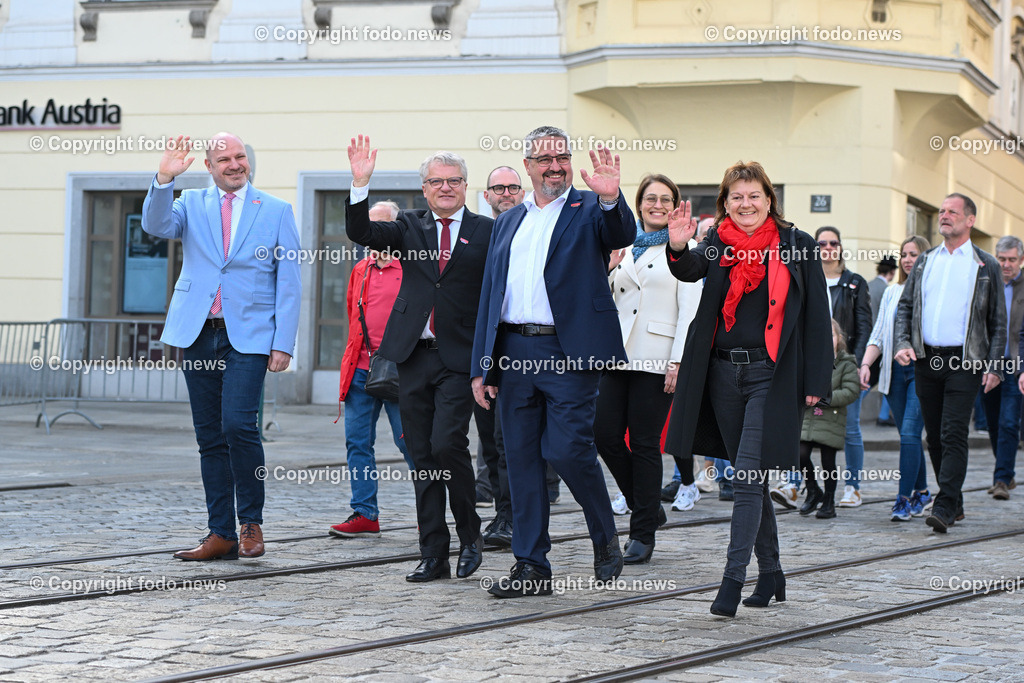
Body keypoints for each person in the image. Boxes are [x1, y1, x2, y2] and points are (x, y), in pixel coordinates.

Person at [472, 126, 635, 598]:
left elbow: (619, 232)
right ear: (528, 166)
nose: (555, 165)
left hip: (568, 351)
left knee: (565, 450)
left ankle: (604, 535)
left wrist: (611, 198)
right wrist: (483, 366)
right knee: (519, 461)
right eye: (544, 159)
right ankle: (531, 565)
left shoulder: (589, 210)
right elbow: (491, 296)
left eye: (561, 156)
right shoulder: (508, 220)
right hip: (514, 351)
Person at [664, 160, 832, 617]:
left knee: (745, 479)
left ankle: (732, 581)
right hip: (721, 375)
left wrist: (818, 381)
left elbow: (817, 315)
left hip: (770, 377)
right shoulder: (717, 241)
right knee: (750, 476)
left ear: (769, 199)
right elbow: (690, 268)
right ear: (725, 203)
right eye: (736, 197)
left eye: (753, 195)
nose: (745, 204)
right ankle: (773, 572)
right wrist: (678, 245)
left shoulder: (795, 245)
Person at [143, 133, 301, 561]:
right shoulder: (191, 203)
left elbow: (289, 283)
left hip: (248, 335)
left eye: (239, 157)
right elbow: (155, 227)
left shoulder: (276, 209)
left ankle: (251, 521)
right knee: (209, 436)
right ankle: (221, 533)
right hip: (198, 331)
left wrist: (282, 342)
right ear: (209, 167)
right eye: (224, 159)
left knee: (238, 426)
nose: (234, 164)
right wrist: (163, 178)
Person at [346, 136, 493, 581]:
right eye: (436, 181)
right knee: (422, 452)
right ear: (424, 188)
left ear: (465, 186)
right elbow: (363, 233)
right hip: (411, 356)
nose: (445, 188)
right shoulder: (409, 225)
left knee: (449, 445)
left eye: (453, 181)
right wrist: (359, 184)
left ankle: (470, 535)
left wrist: (490, 361)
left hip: (459, 359)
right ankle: (433, 553)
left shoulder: (488, 231)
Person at [595, 174, 700, 564]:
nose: (657, 205)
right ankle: (647, 505)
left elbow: (690, 310)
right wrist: (607, 269)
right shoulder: (623, 244)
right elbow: (607, 300)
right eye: (650, 198)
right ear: (639, 204)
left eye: (666, 199)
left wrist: (678, 361)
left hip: (656, 357)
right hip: (616, 354)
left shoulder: (684, 249)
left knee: (643, 443)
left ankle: (642, 534)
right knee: (603, 434)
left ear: (675, 207)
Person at [894, 193, 1005, 534]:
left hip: (965, 361)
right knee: (934, 437)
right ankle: (955, 503)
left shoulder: (986, 265)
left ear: (970, 220)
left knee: (953, 432)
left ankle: (943, 503)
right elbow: (905, 307)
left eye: (951, 212)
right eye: (941, 211)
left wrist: (995, 366)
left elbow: (998, 322)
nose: (943, 216)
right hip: (928, 358)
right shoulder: (927, 261)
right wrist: (902, 342)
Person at [331, 201, 414, 539]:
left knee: (411, 444)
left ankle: (431, 510)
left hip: (401, 369)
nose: (375, 233)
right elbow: (353, 318)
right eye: (371, 226)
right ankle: (365, 513)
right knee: (357, 443)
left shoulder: (411, 269)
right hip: (362, 371)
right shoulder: (360, 270)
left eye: (383, 225)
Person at [859, 236, 934, 521]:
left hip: (922, 373)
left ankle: (902, 499)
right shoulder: (892, 292)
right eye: (904, 254)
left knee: (911, 434)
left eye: (914, 254)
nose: (907, 259)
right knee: (908, 435)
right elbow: (878, 334)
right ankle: (923, 492)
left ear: (925, 257)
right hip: (894, 374)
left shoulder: (932, 291)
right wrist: (866, 364)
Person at [474, 166, 525, 547]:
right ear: (487, 194)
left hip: (520, 352)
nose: (505, 193)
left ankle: (510, 518)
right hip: (480, 354)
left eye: (512, 187)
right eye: (498, 188)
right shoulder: (476, 234)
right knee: (489, 442)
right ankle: (500, 512)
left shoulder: (532, 231)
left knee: (510, 441)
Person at [816, 226, 872, 507]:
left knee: (850, 428)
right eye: (822, 243)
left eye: (833, 242)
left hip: (845, 365)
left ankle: (853, 487)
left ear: (840, 247)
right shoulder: (807, 278)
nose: (828, 247)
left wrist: (859, 364)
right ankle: (794, 484)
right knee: (802, 427)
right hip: (812, 364)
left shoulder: (855, 283)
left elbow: (864, 328)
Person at [799, 319, 859, 519]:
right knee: (799, 454)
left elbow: (851, 391)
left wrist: (829, 399)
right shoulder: (810, 359)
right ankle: (813, 489)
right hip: (810, 417)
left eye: (831, 335)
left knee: (828, 462)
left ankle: (829, 501)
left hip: (831, 418)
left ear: (838, 338)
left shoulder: (846, 363)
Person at [985, 236, 1024, 500]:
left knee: (1009, 421)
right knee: (992, 422)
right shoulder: (988, 284)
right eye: (1002, 259)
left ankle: (1001, 478)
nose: (1006, 264)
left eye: (1012, 259)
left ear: (1021, 260)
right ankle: (1006, 472)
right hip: (989, 364)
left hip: (1016, 364)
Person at [869, 255, 897, 426]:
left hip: (866, 342)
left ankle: (884, 415)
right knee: (881, 378)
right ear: (892, 272)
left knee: (869, 378)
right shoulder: (887, 290)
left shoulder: (867, 285)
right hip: (881, 343)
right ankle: (884, 415)